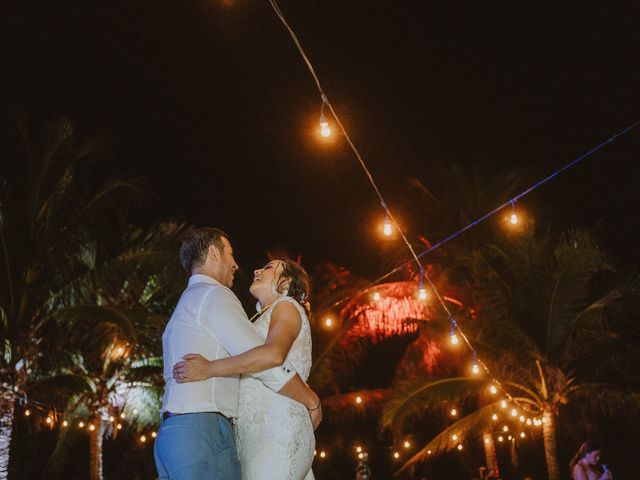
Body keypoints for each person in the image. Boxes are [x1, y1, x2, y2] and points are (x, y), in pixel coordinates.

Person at [154, 228, 321, 480]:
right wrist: (310, 398)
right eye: (230, 254)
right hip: (206, 431)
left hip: (181, 432)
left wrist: (211, 367)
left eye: (267, 268)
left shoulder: (187, 302)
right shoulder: (215, 295)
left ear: (286, 283)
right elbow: (266, 360)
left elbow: (269, 356)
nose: (240, 265)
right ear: (213, 253)